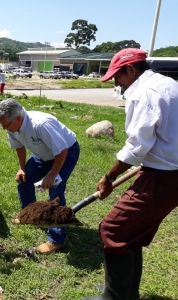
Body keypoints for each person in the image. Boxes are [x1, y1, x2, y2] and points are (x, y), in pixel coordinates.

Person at [82, 48, 178, 300]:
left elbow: (137, 147)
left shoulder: (144, 93)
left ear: (132, 69)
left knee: (113, 229)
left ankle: (114, 297)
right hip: (166, 171)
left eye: (118, 76)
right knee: (130, 233)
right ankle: (126, 293)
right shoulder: (167, 84)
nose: (116, 83)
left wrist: (109, 177)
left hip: (164, 175)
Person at [0, 99, 80, 253]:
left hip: (66, 152)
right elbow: (19, 146)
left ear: (18, 119)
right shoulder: (13, 126)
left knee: (55, 191)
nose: (4, 129)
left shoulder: (41, 124)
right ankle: (30, 215)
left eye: (5, 126)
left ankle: (56, 240)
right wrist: (22, 168)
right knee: (23, 180)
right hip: (44, 154)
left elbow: (62, 151)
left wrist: (52, 175)